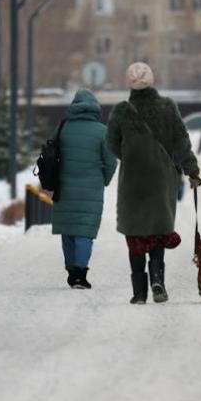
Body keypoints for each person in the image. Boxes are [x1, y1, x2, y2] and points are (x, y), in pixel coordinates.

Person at [107, 62, 201, 304]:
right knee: (158, 231)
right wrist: (191, 171)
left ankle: (139, 293)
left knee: (135, 233)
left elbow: (111, 144)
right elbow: (182, 141)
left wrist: (129, 156)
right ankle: (157, 279)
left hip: (133, 180)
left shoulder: (121, 111)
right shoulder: (167, 107)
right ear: (152, 80)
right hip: (162, 178)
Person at [51, 90, 118, 289]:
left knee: (68, 230)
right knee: (84, 232)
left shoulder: (62, 128)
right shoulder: (102, 131)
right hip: (91, 189)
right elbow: (111, 162)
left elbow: (50, 155)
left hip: (64, 187)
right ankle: (80, 272)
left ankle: (71, 270)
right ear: (95, 109)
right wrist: (103, 180)